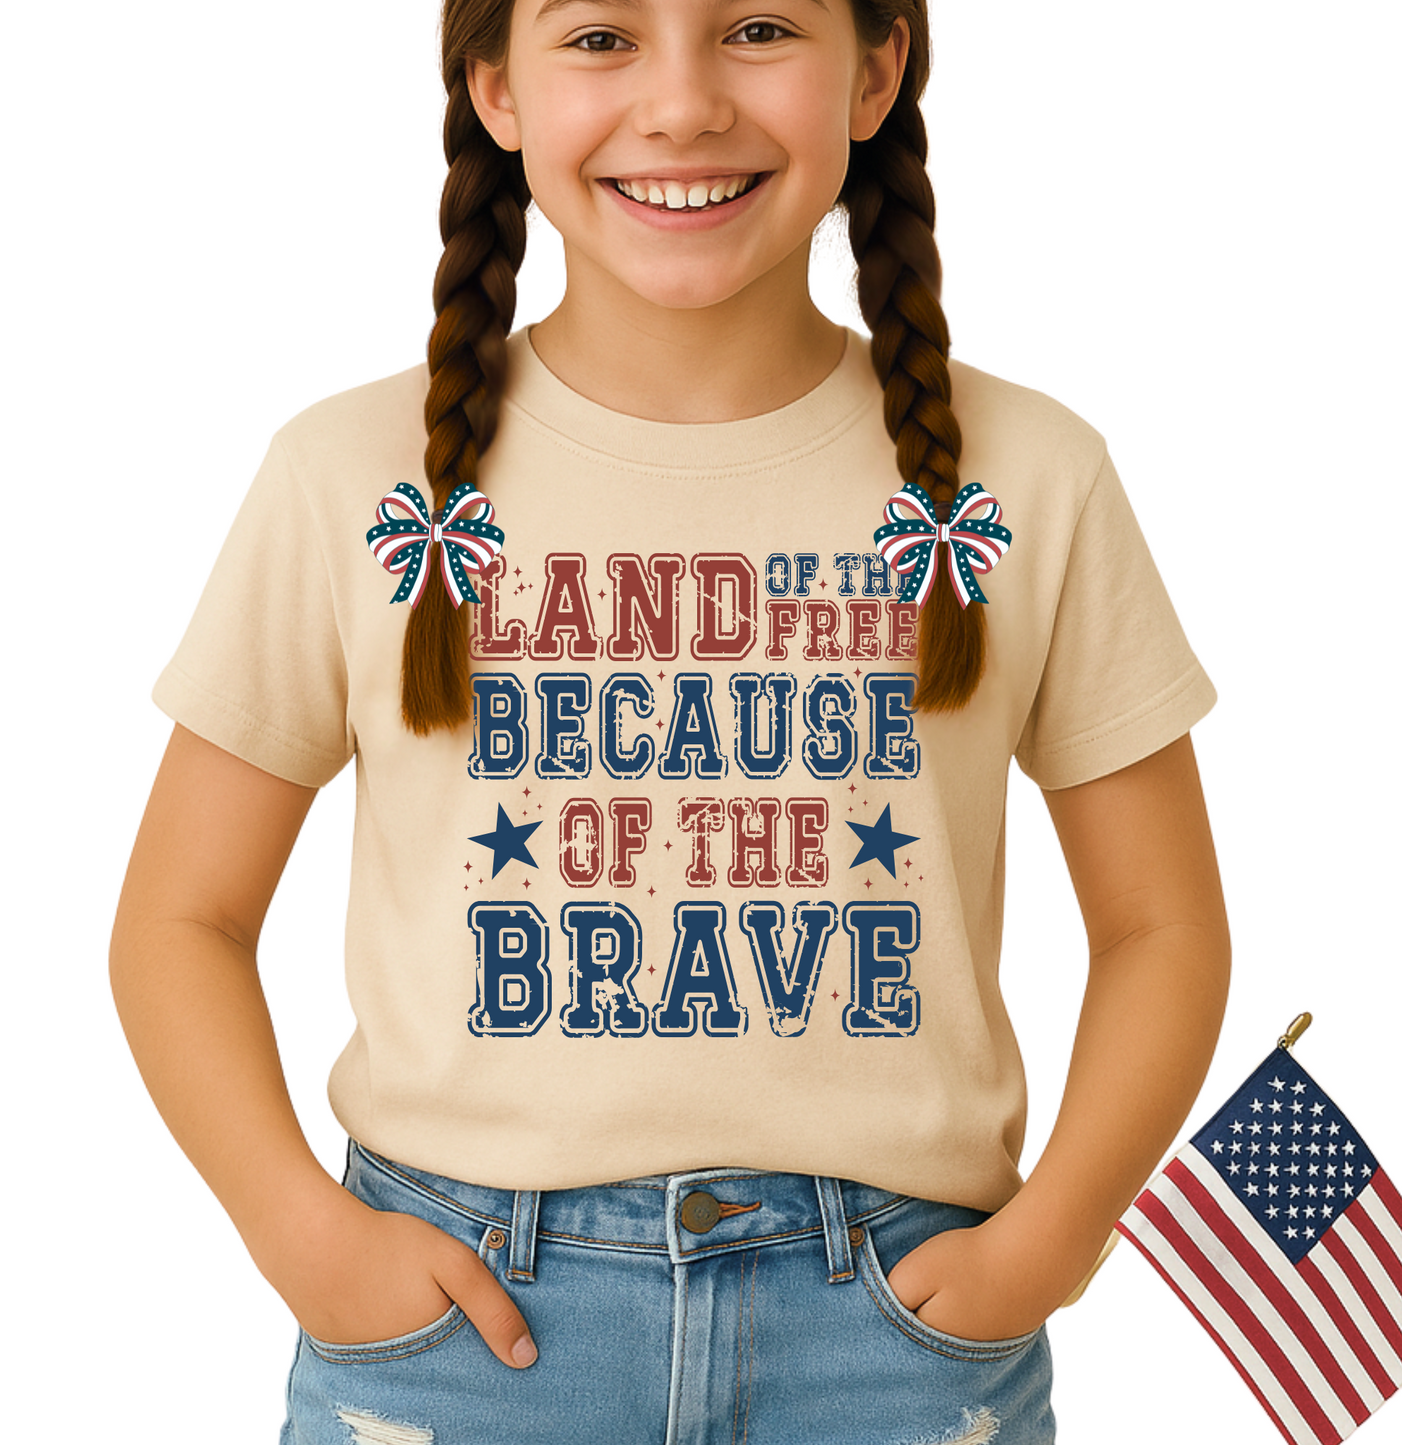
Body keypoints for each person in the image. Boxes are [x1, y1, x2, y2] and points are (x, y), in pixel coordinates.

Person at [109, 0, 1230, 1436]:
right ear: (496, 88)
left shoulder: (1034, 475)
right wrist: (298, 1233)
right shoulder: (350, 477)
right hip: (465, 1329)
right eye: (601, 39)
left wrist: (1049, 1241)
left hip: (896, 1333)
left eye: (758, 26)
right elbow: (177, 919)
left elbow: (1163, 927)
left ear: (877, 67)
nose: (684, 104)